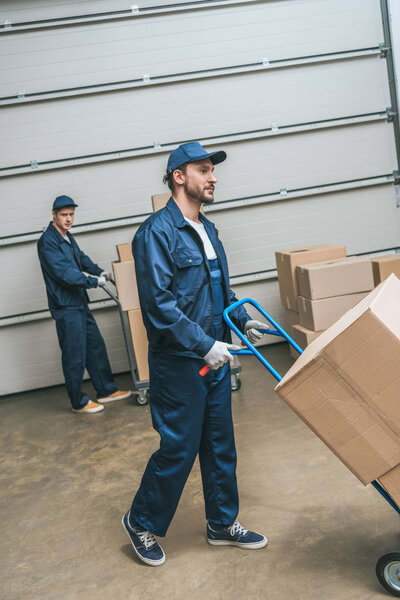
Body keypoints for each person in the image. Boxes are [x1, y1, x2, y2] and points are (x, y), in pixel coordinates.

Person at [122, 142, 269, 566]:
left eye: (212, 170)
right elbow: (160, 307)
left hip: (215, 359)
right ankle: (139, 521)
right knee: (179, 448)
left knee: (220, 444)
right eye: (204, 170)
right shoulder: (155, 234)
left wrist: (241, 318)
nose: (213, 177)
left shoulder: (209, 229)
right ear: (178, 177)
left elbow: (220, 290)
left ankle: (222, 524)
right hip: (181, 363)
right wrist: (206, 344)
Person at [37, 196, 131, 413]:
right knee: (74, 354)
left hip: (79, 302)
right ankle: (78, 402)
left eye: (71, 214)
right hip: (66, 306)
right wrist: (92, 281)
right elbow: (64, 273)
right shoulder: (48, 242)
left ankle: (106, 390)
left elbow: (80, 258)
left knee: (95, 347)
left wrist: (100, 272)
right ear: (54, 215)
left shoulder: (67, 236)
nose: (68, 219)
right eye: (64, 215)